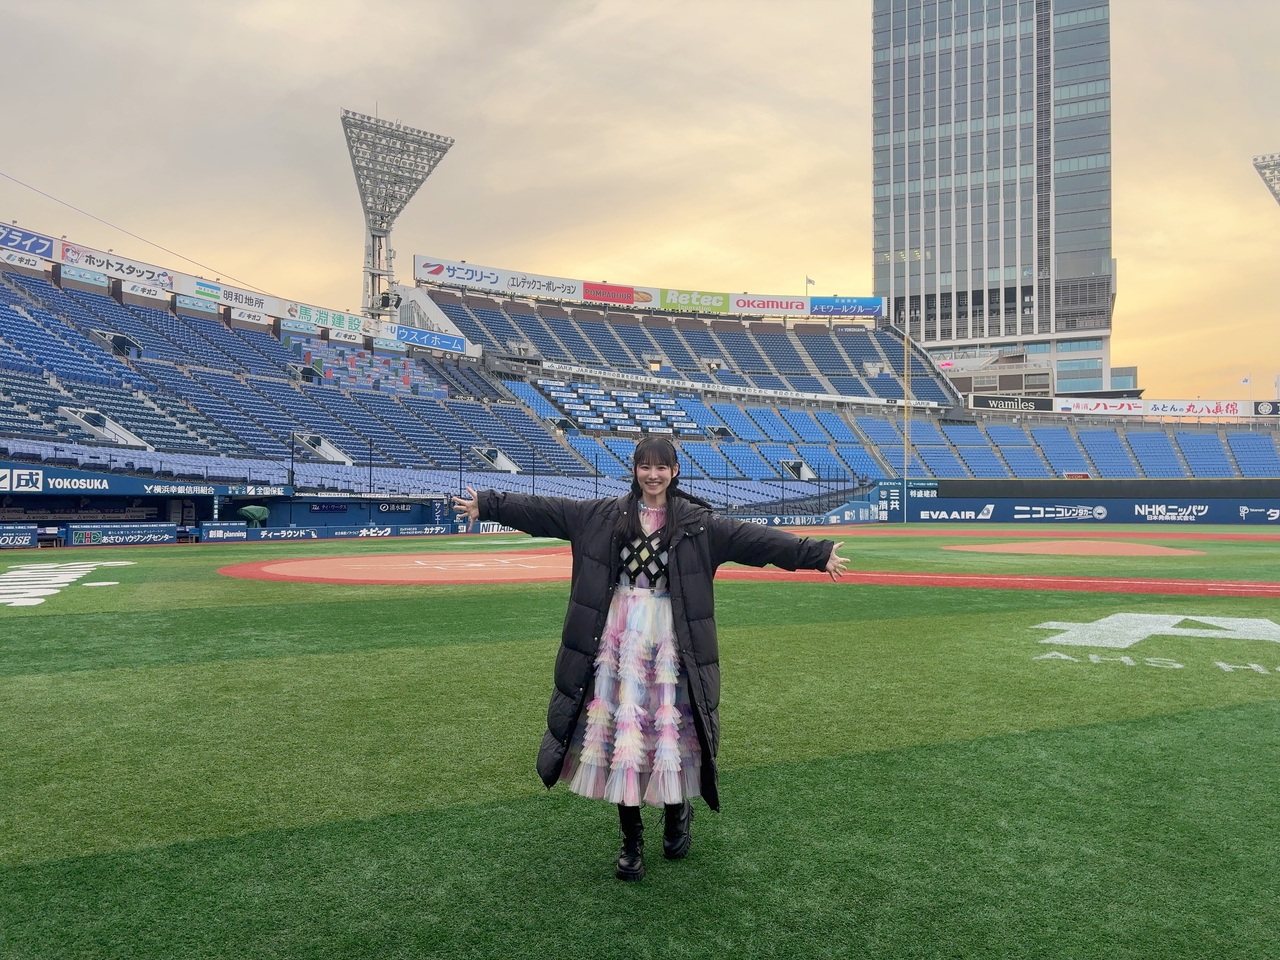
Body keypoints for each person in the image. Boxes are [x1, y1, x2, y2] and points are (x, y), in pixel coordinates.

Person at [452, 435, 848, 882]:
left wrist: (816, 553)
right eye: (645, 466)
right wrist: (489, 503)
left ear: (674, 471)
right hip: (617, 640)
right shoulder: (602, 515)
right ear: (635, 470)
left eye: (662, 467)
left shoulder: (698, 523)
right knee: (624, 736)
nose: (653, 475)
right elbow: (546, 511)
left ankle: (677, 810)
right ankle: (631, 838)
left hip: (672, 641)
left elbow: (754, 541)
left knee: (669, 732)